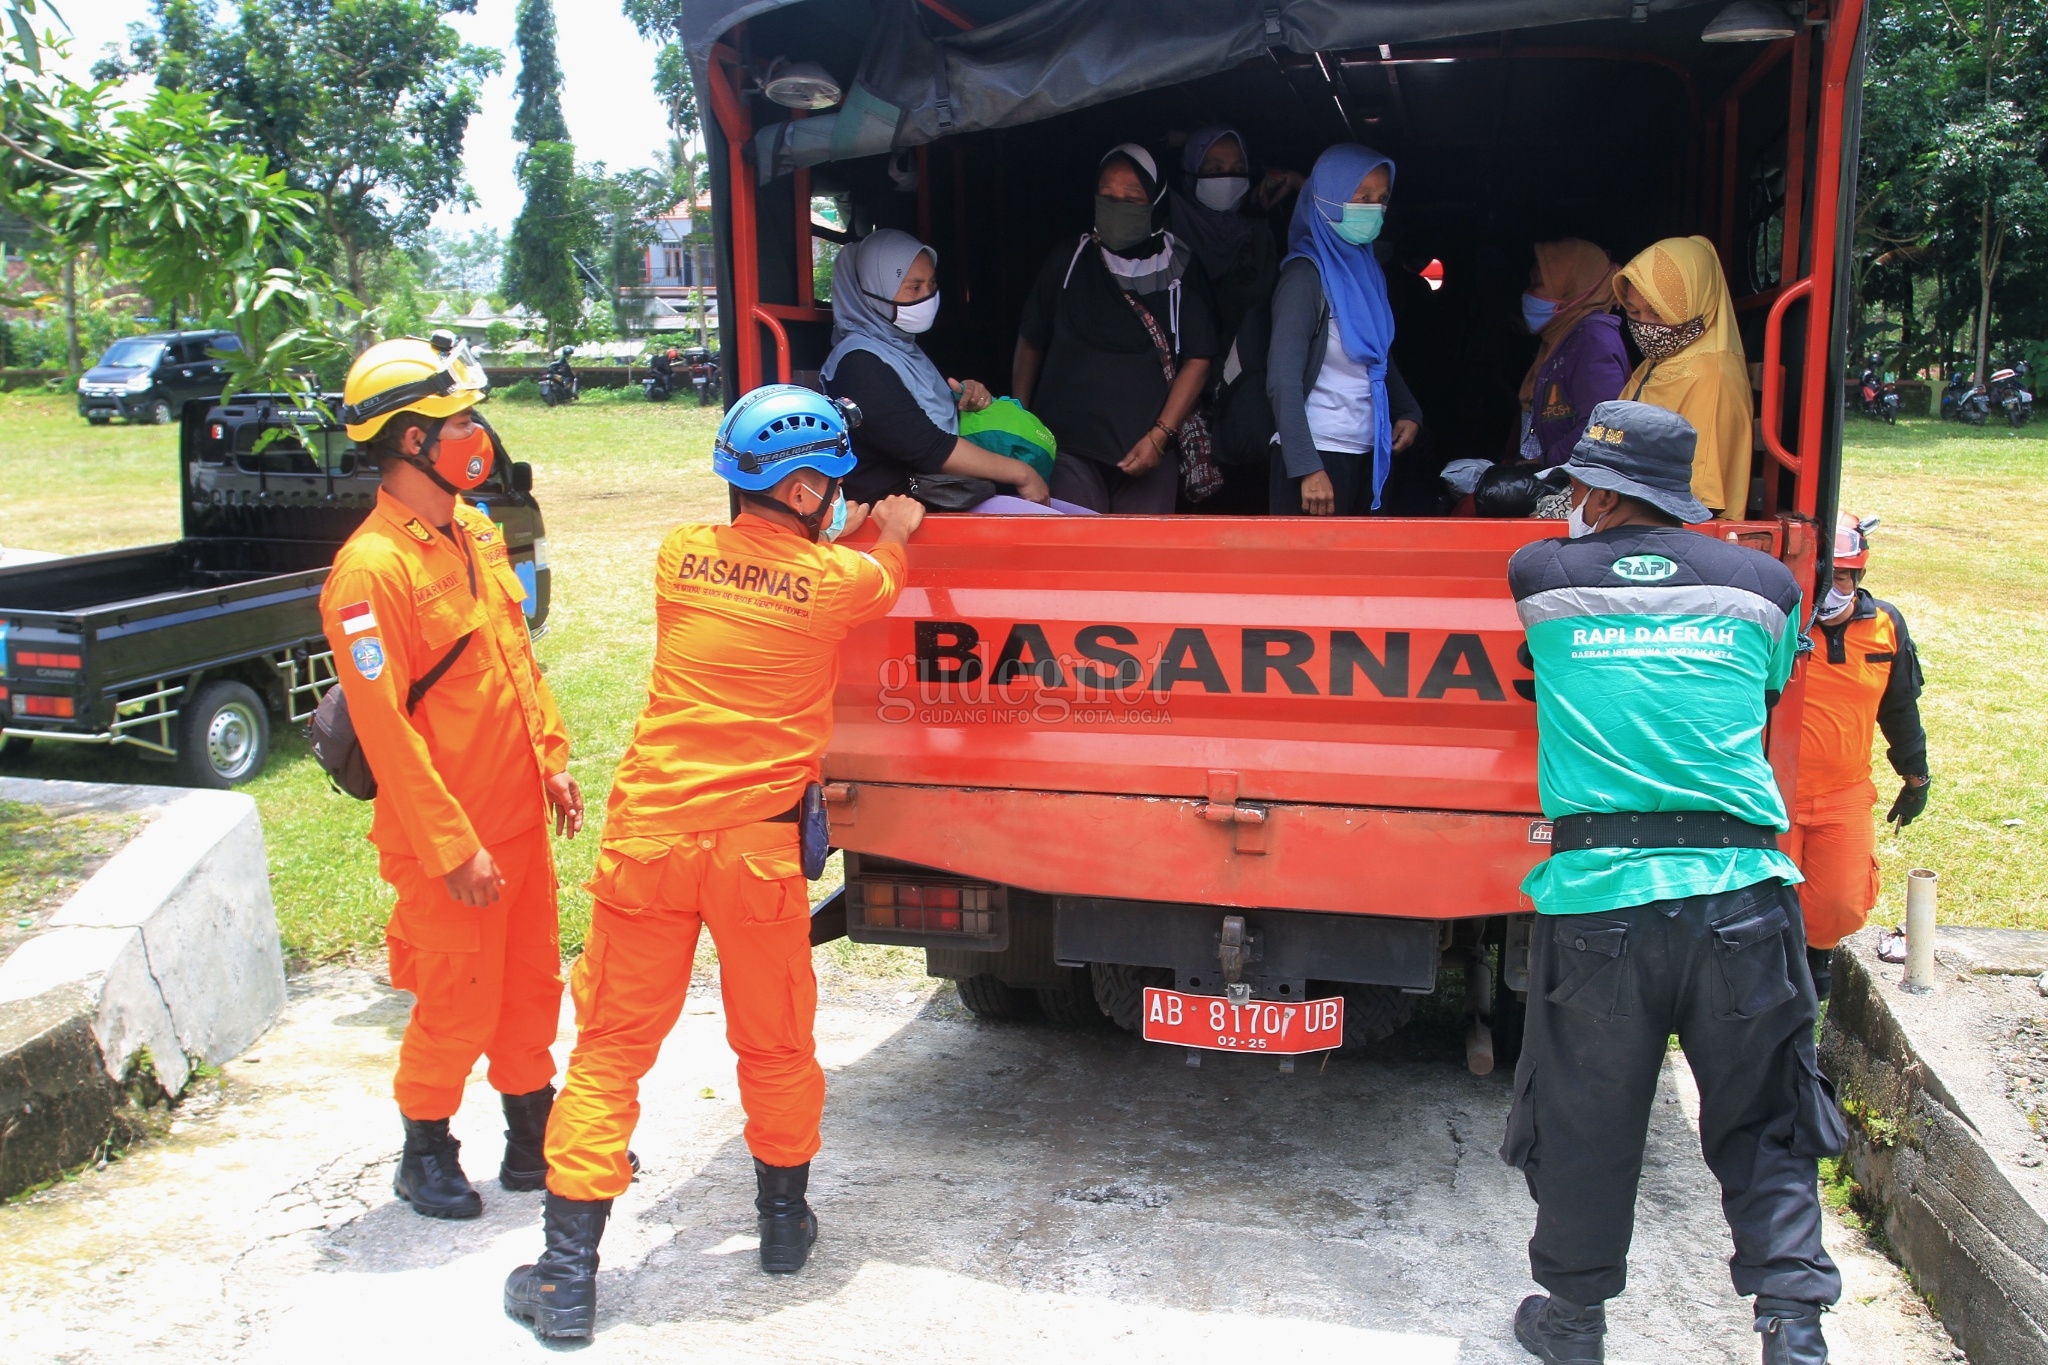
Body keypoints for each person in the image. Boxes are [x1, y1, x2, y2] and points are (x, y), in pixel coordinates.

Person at [505, 385, 925, 1342]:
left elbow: (775, 568)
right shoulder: (839, 582)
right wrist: (889, 526)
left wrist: (830, 527)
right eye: (833, 487)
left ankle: (566, 1278)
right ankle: (783, 1226)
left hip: (650, 840)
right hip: (756, 855)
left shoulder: (678, 556)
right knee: (774, 1041)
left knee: (610, 1050)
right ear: (812, 484)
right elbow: (875, 572)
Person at [1503, 399, 1843, 1365]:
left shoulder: (1543, 575)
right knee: (1767, 1117)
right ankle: (1793, 1332)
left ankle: (1571, 1328)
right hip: (1742, 894)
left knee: (1584, 1119)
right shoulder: (1765, 585)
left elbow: (1541, 671)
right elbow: (1766, 686)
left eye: (1577, 486)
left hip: (1602, 904)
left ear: (1602, 495)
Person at [319, 334, 583, 1222]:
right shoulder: (369, 573)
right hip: (450, 841)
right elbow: (387, 732)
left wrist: (550, 759)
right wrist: (452, 845)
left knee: (528, 985)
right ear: (408, 440)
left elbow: (515, 659)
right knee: (456, 998)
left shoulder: (471, 529)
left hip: (515, 815)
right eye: (459, 420)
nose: (479, 434)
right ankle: (424, 1147)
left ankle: (530, 1138)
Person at [1013, 143, 1222, 513]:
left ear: (1156, 201)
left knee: (1138, 564)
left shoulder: (1181, 267)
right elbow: (1031, 340)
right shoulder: (1070, 261)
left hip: (1148, 451)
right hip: (1067, 449)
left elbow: (1199, 358)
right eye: (1107, 196)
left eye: (1132, 198)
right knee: (1076, 561)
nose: (1116, 206)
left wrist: (1160, 438)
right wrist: (1022, 419)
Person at [821, 228, 1072, 514]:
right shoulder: (859, 363)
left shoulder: (901, 349)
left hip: (944, 493)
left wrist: (964, 398)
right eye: (915, 287)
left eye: (932, 284)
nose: (928, 297)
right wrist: (1022, 473)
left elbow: (921, 412)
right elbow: (929, 448)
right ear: (873, 293)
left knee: (1086, 522)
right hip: (901, 509)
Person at [1789, 512, 1930, 1000]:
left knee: (1842, 903)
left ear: (1859, 578)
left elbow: (1899, 706)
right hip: (1768, 793)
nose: (1832, 586)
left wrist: (1916, 777)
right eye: (1823, 575)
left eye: (1843, 577)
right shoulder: (1777, 622)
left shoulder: (1885, 626)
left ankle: (1816, 956)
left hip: (1841, 793)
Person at [1266, 143, 1423, 516]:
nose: (1373, 208)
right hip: (1316, 455)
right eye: (1361, 196)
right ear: (1327, 198)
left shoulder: (1366, 272)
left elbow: (1374, 354)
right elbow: (1282, 378)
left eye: (1382, 198)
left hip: (1367, 451)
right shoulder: (1304, 276)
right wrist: (1306, 466)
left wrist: (1408, 409)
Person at [1614, 236, 1752, 519]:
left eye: (1658, 312)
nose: (1646, 325)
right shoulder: (1659, 363)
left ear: (1696, 304)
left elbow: (1695, 503)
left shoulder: (1710, 378)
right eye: (1634, 311)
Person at [1519, 240, 1629, 468]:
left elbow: (1605, 430)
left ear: (1573, 290)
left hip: (1580, 487)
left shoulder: (1593, 340)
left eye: (1538, 283)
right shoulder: (1560, 337)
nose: (1528, 293)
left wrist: (1544, 462)